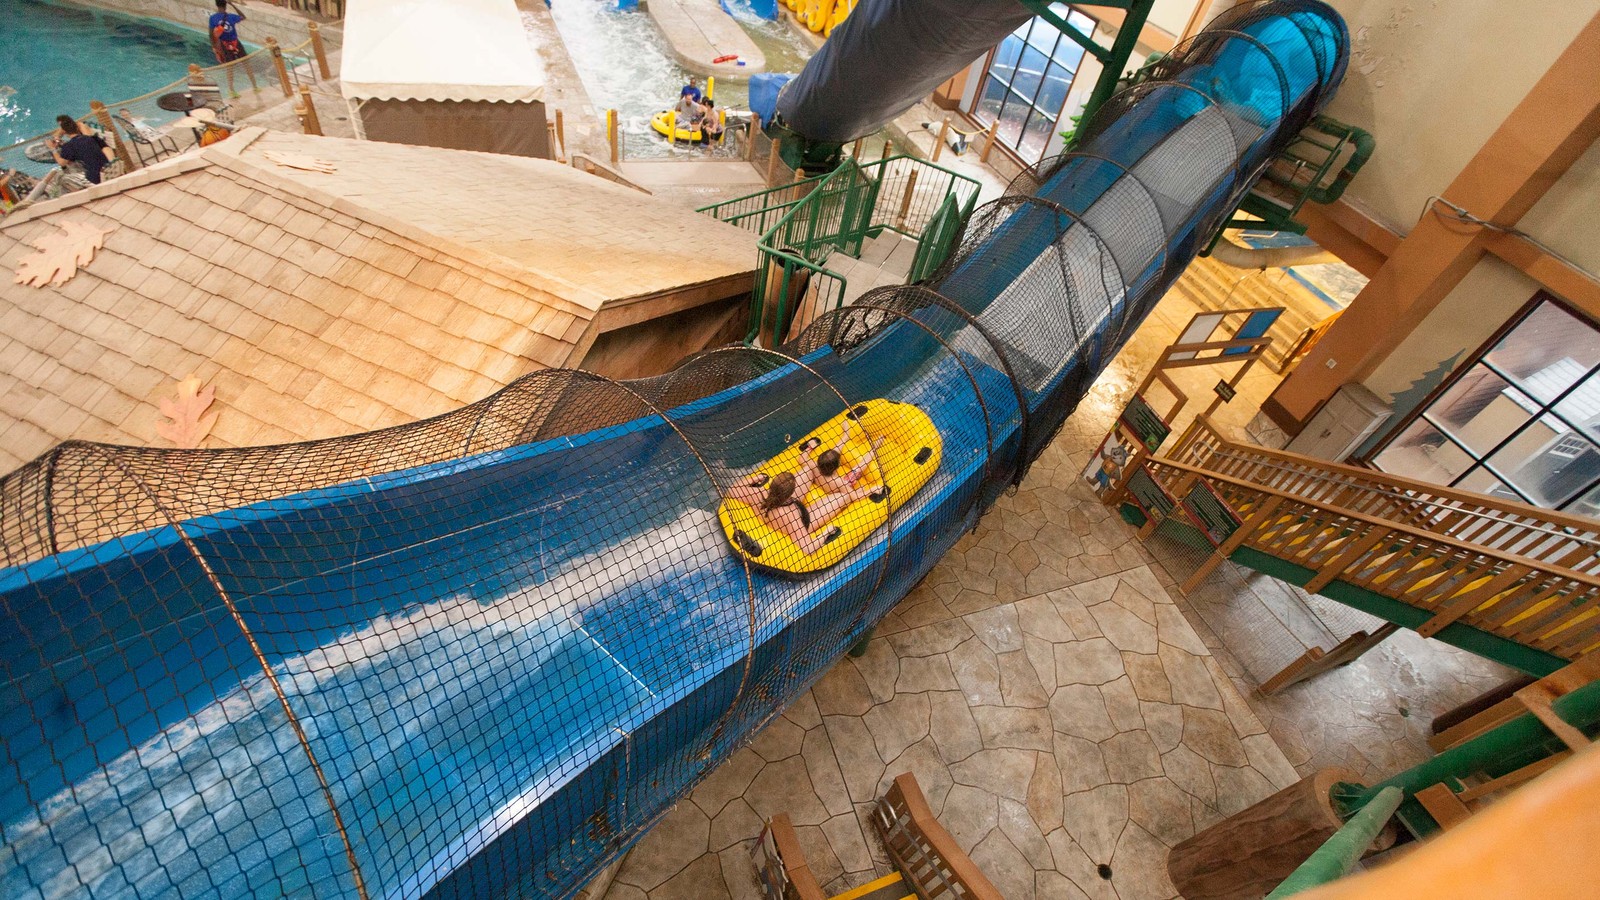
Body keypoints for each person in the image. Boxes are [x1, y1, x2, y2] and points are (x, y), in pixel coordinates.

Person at [725, 467, 880, 556]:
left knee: (808, 470)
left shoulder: (758, 494)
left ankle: (833, 483)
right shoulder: (791, 515)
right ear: (790, 494)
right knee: (844, 497)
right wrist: (826, 532)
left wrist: (756, 478)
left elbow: (732, 490)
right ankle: (865, 491)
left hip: (777, 510)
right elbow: (808, 548)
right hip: (805, 520)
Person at [799, 419, 885, 496]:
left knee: (831, 456)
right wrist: (872, 490)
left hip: (824, 483)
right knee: (858, 468)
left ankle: (846, 436)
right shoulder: (839, 482)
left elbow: (801, 459)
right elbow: (855, 497)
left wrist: (810, 447)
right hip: (838, 490)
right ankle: (874, 448)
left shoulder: (814, 466)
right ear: (838, 466)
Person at [208, 0, 257, 98]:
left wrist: (214, 47)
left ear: (217, 5)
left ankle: (231, 90)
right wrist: (232, 4)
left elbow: (210, 34)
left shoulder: (212, 18)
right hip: (235, 43)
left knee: (229, 68)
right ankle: (255, 86)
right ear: (226, 5)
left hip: (224, 45)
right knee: (246, 63)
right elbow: (243, 17)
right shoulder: (231, 17)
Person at [48, 115, 111, 184]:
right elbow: (56, 136)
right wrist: (57, 139)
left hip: (95, 175)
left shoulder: (79, 131)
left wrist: (52, 149)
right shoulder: (87, 138)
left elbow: (62, 163)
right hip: (105, 166)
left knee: (66, 175)